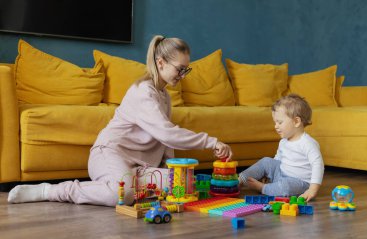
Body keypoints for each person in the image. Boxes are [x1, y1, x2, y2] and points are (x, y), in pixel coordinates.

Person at [8, 35, 233, 206]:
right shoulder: (143, 92)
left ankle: (132, 185)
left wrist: (167, 168)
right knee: (122, 194)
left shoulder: (164, 95)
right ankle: (52, 191)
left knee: (183, 184)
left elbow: (164, 140)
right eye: (180, 69)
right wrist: (211, 142)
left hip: (140, 168)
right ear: (161, 62)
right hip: (110, 154)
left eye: (186, 70)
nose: (183, 75)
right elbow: (167, 132)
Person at [239, 94, 324, 202]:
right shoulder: (283, 141)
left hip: (299, 183)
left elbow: (318, 165)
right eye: (275, 122)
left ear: (296, 121)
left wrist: (312, 189)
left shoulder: (308, 143)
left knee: (286, 186)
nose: (275, 126)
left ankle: (263, 188)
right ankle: (240, 179)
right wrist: (269, 174)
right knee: (266, 161)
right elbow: (278, 159)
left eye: (279, 122)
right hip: (281, 174)